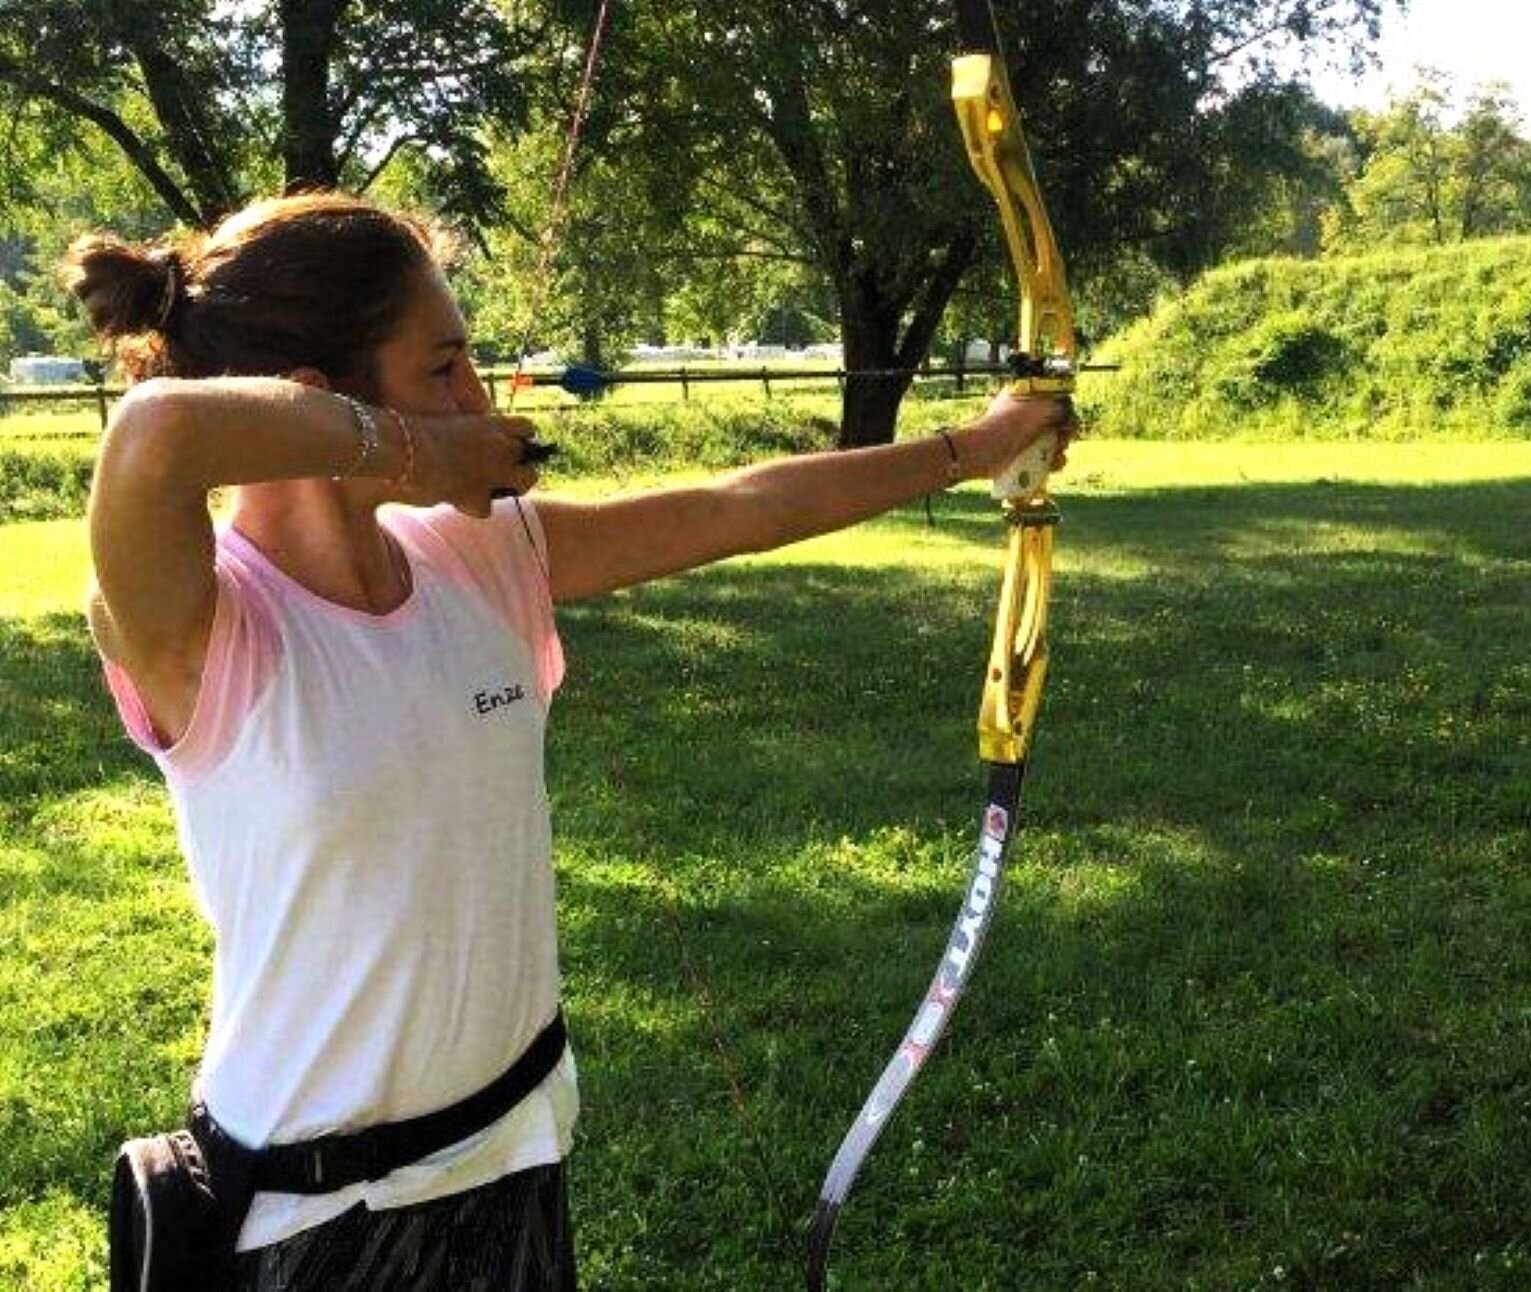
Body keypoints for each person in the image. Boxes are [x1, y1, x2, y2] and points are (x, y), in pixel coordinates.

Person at [64, 191, 1072, 1291]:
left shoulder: (480, 557)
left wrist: (971, 447)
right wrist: (419, 452)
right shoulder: (203, 625)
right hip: (317, 1219)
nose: (480, 399)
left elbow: (738, 505)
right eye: (443, 368)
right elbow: (157, 435)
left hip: (515, 1153)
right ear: (315, 399)